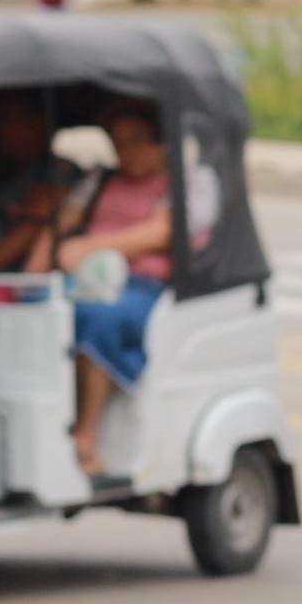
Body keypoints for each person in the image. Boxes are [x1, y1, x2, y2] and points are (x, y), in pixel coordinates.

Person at [56, 98, 175, 481]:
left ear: (160, 143)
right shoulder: (102, 179)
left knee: (99, 317)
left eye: (138, 141)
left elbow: (159, 233)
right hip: (85, 280)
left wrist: (91, 246)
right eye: (119, 144)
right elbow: (66, 221)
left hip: (142, 286)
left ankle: (86, 435)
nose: (128, 153)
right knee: (37, 311)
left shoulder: (181, 184)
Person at [0, 90, 82, 278]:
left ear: (43, 125)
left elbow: (33, 227)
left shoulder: (59, 173)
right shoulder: (0, 172)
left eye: (26, 122)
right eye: (5, 122)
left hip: (6, 281)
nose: (15, 131)